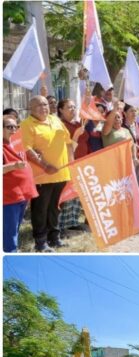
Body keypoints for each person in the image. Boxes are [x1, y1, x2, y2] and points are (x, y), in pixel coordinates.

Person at [20, 95, 74, 252]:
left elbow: (68, 141)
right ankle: (40, 242)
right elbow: (27, 149)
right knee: (40, 210)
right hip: (42, 176)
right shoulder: (27, 125)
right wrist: (45, 165)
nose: (44, 107)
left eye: (46, 104)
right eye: (39, 105)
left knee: (55, 208)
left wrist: (72, 163)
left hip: (62, 173)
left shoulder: (55, 119)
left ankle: (54, 238)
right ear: (31, 108)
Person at [3, 115, 38, 252]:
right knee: (9, 230)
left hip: (22, 194)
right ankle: (10, 252)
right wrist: (13, 166)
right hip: (9, 196)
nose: (13, 129)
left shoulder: (16, 143)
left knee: (15, 227)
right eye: (9, 127)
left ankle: (11, 249)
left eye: (15, 126)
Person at [55, 99, 89, 234]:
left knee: (77, 195)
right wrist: (75, 135)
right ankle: (63, 225)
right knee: (68, 194)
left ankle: (73, 222)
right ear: (60, 110)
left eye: (74, 107)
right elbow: (66, 147)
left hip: (83, 162)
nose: (73, 110)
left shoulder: (77, 123)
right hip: (68, 163)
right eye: (69, 107)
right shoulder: (59, 125)